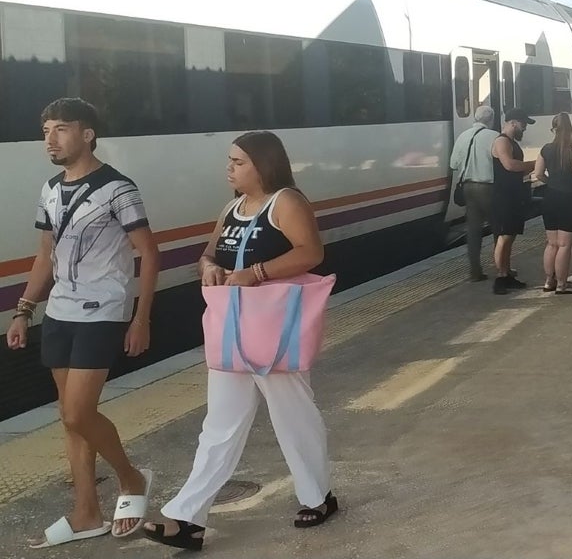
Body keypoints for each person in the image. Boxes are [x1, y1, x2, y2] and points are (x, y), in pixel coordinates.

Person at [143, 131, 336, 550]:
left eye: (238, 162)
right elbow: (209, 253)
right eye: (229, 161)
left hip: (275, 328)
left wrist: (258, 273)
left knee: (293, 416)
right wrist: (209, 266)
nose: (228, 169)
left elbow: (311, 252)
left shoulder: (285, 202)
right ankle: (186, 518)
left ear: (263, 164)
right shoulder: (232, 207)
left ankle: (318, 497)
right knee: (219, 426)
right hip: (233, 330)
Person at [6, 98, 159, 547]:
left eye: (61, 129)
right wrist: (24, 309)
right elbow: (44, 256)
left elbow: (149, 253)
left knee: (78, 412)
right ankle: (86, 512)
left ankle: (131, 479)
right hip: (59, 314)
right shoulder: (50, 189)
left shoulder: (118, 188)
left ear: (87, 133)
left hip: (102, 312)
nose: (50, 140)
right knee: (69, 418)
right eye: (45, 131)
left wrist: (141, 317)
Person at [534, 113, 572, 295]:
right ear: (570, 130)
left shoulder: (545, 150)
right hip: (567, 200)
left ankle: (549, 281)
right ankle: (562, 284)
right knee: (564, 245)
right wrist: (571, 182)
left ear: (553, 129)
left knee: (552, 244)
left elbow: (538, 173)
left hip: (549, 199)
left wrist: (552, 182)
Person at [449, 106, 500, 283]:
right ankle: (502, 269)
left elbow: (453, 164)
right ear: (491, 119)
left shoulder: (463, 136)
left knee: (473, 231)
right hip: (489, 188)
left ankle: (475, 272)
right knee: (498, 229)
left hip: (469, 188)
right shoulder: (494, 137)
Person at [490, 109, 537, 295]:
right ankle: (501, 277)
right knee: (504, 237)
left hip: (514, 194)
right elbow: (509, 165)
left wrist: (529, 169)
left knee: (510, 236)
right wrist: (535, 164)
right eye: (523, 124)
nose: (524, 128)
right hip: (504, 196)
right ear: (513, 122)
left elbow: (518, 170)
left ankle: (507, 272)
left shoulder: (512, 143)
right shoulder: (502, 141)